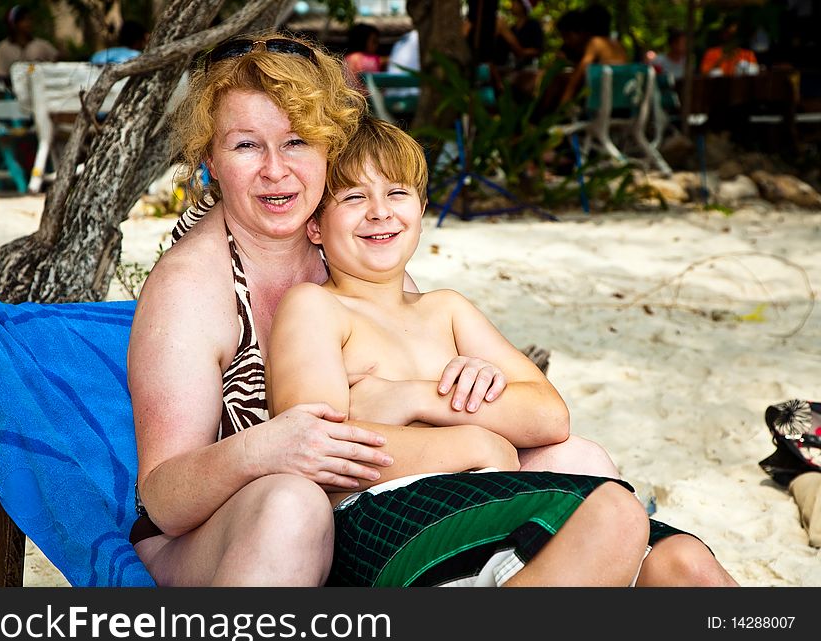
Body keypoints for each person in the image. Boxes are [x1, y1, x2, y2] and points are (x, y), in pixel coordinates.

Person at [125, 30, 635, 588]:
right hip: (219, 531)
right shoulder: (192, 289)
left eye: (296, 141)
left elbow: (411, 411)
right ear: (210, 159)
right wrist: (261, 450)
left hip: (359, 496)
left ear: (329, 147)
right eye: (246, 145)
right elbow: (166, 499)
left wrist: (460, 386)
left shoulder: (350, 249)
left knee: (576, 460)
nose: (275, 169)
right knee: (291, 503)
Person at [266, 115, 740, 587]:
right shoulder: (317, 307)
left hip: (483, 498)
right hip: (383, 516)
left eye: (396, 193)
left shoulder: (446, 309)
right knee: (614, 514)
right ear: (314, 227)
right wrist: (477, 441)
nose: (379, 211)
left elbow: (549, 415)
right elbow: (320, 452)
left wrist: (415, 398)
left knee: (686, 562)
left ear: (422, 208)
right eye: (353, 197)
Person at [557, 4, 628, 106]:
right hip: (621, 100)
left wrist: (562, 105)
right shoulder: (617, 44)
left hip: (604, 102)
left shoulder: (595, 42)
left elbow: (578, 75)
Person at [0, 5, 58, 86]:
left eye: (30, 19)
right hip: (14, 94)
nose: (28, 23)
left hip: (41, 91)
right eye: (24, 20)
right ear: (14, 24)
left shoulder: (41, 45)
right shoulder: (3, 47)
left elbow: (58, 65)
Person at [343, 23, 387, 94]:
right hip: (365, 100)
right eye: (374, 41)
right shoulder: (361, 59)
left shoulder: (347, 58)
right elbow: (378, 62)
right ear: (363, 40)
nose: (377, 45)